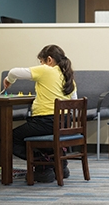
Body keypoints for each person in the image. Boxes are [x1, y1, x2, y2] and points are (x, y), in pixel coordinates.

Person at [8, 44, 77, 183]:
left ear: (49, 60)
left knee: (9, 137)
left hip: (46, 121)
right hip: (64, 123)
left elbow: (13, 72)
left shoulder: (46, 70)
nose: (41, 64)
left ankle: (44, 164)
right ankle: (59, 163)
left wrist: (8, 80)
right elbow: (74, 101)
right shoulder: (68, 77)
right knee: (33, 133)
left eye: (41, 61)